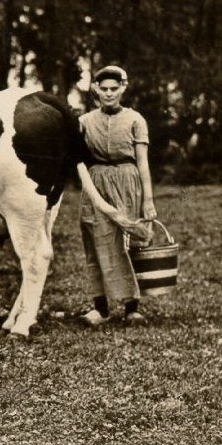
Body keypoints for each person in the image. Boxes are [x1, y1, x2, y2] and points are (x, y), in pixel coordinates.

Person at [78, 65, 157, 326]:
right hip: (96, 182)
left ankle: (131, 308)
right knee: (95, 242)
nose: (109, 94)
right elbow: (76, 158)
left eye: (114, 89)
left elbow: (143, 163)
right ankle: (100, 309)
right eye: (104, 89)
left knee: (128, 242)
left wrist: (148, 201)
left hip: (128, 180)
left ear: (123, 88)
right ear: (96, 90)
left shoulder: (136, 119)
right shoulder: (86, 121)